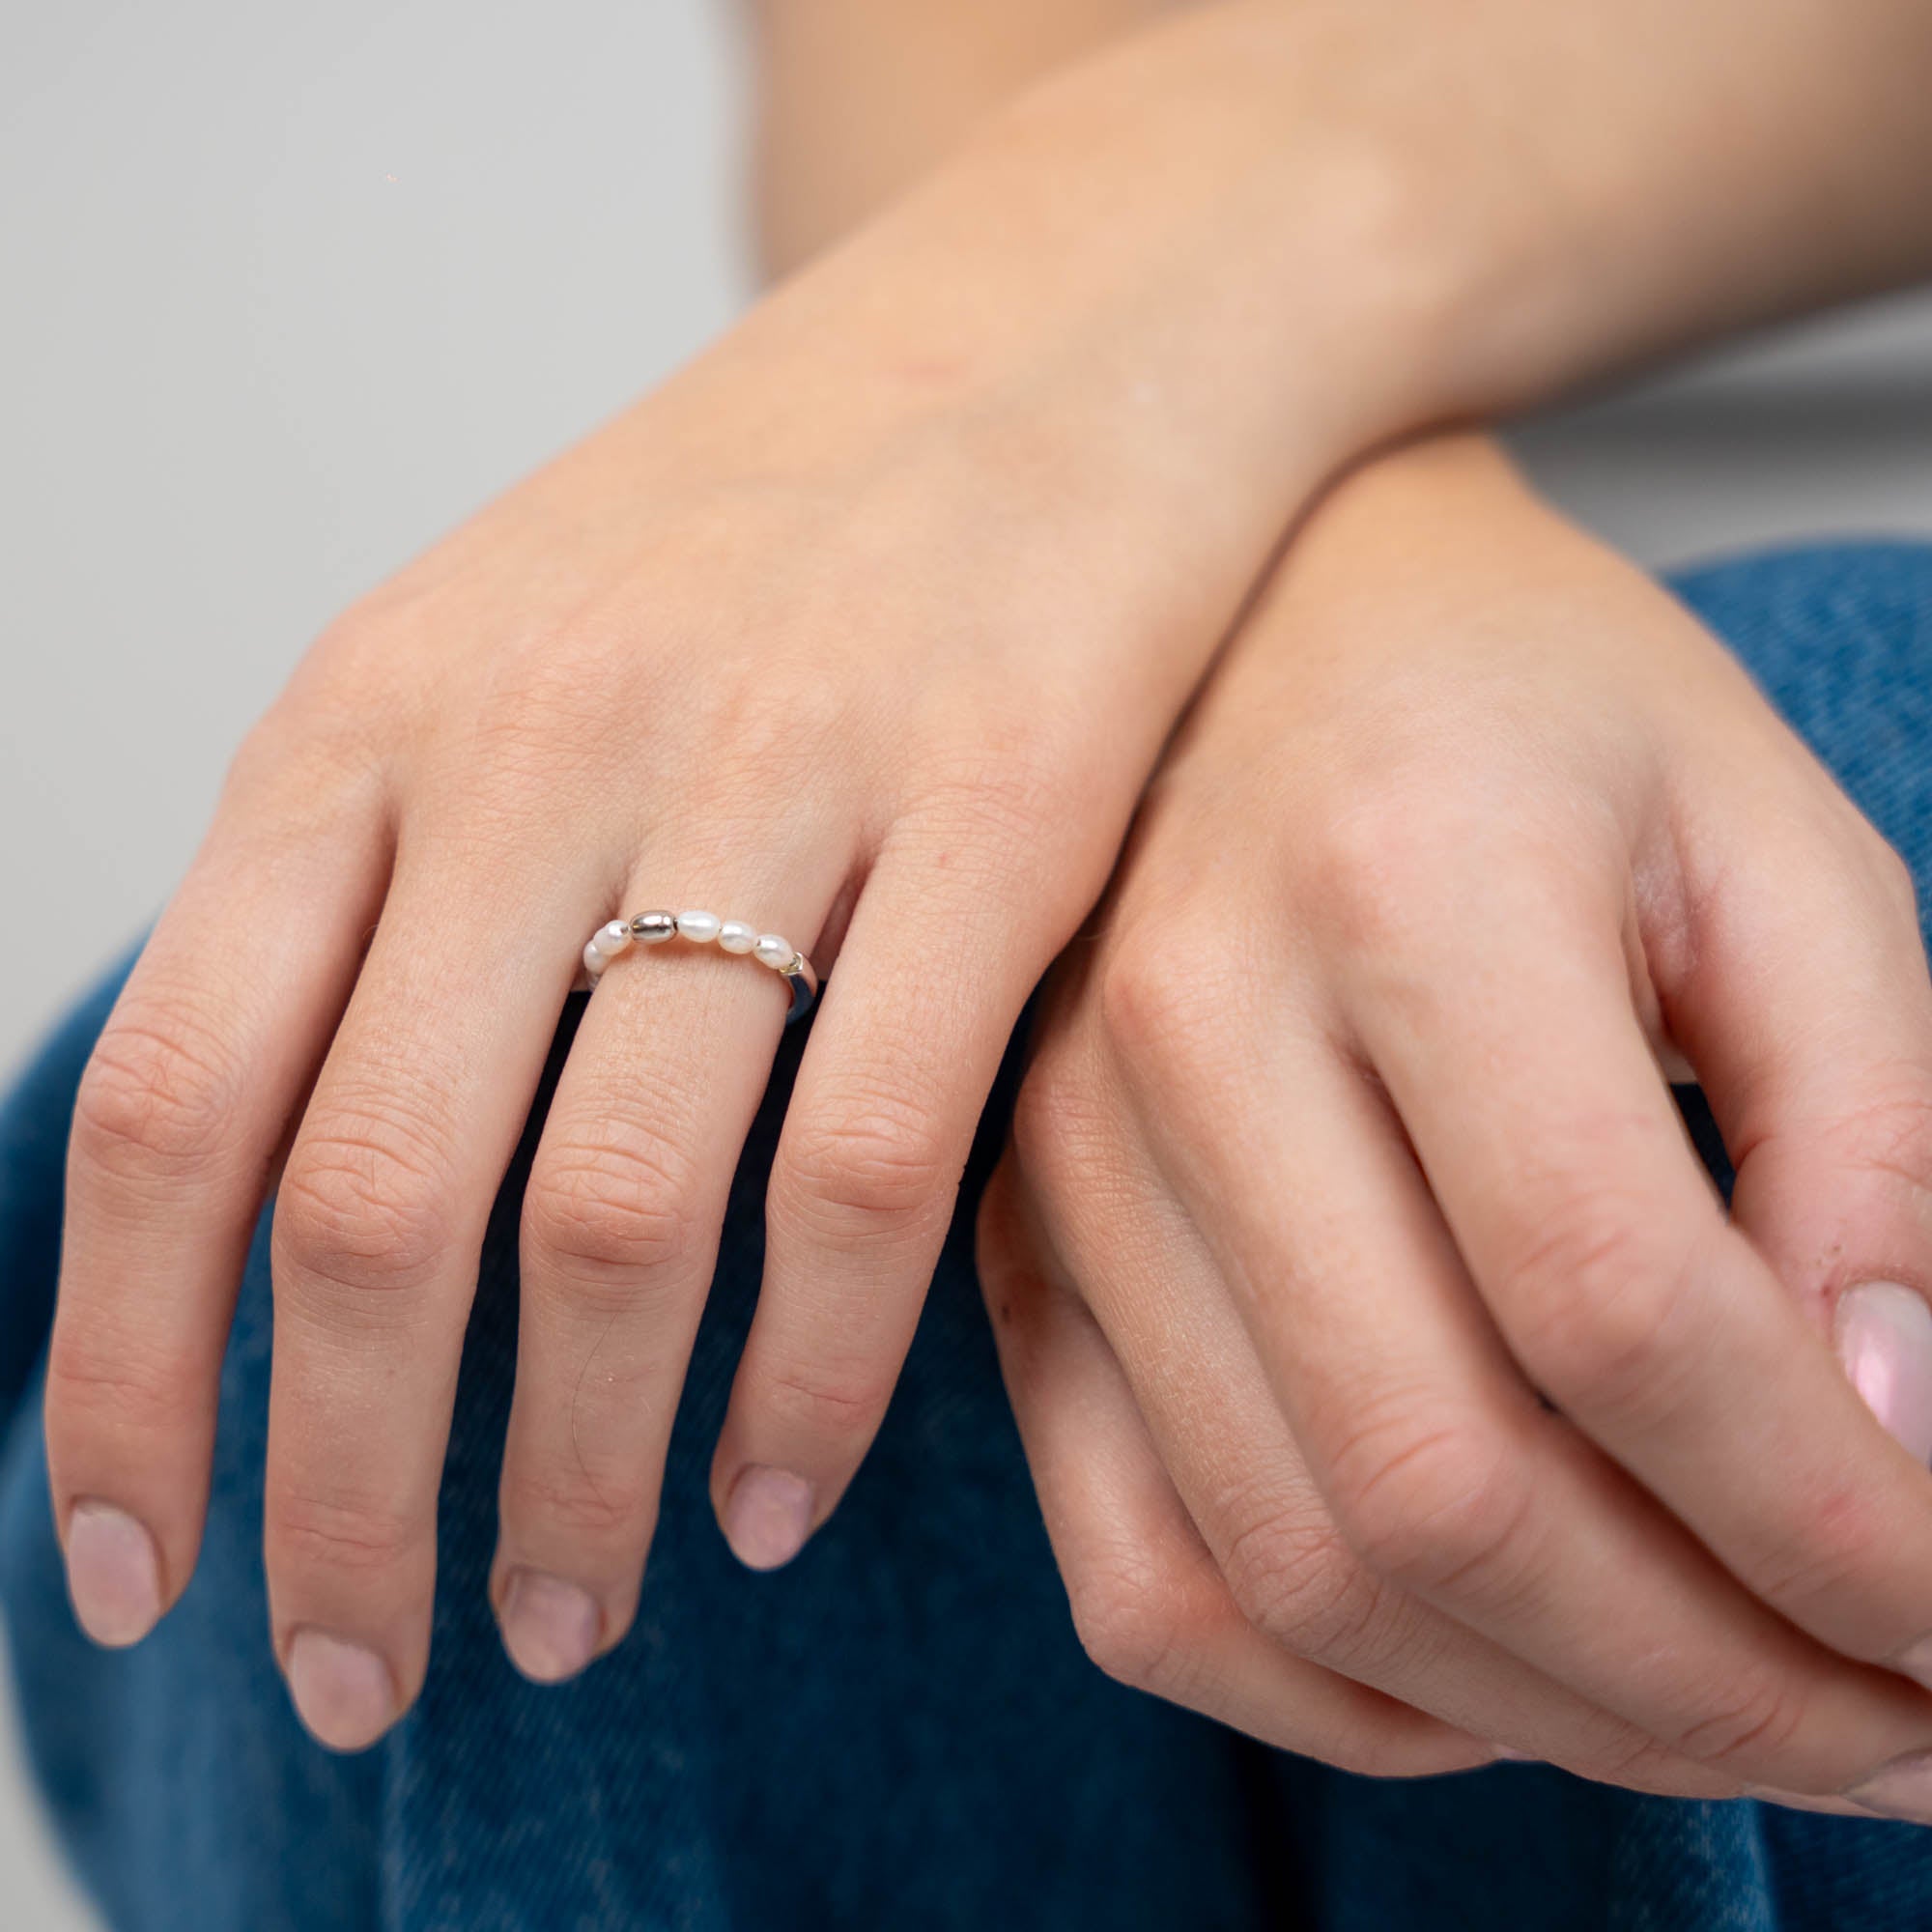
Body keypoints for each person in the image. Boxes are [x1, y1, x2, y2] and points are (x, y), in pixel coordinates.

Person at [6, 0, 1932, 1924]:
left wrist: (1152, 347)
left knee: (1613, 1048)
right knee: (601, 1141)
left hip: (1348, 446)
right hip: (1190, 474)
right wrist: (1225, 498)